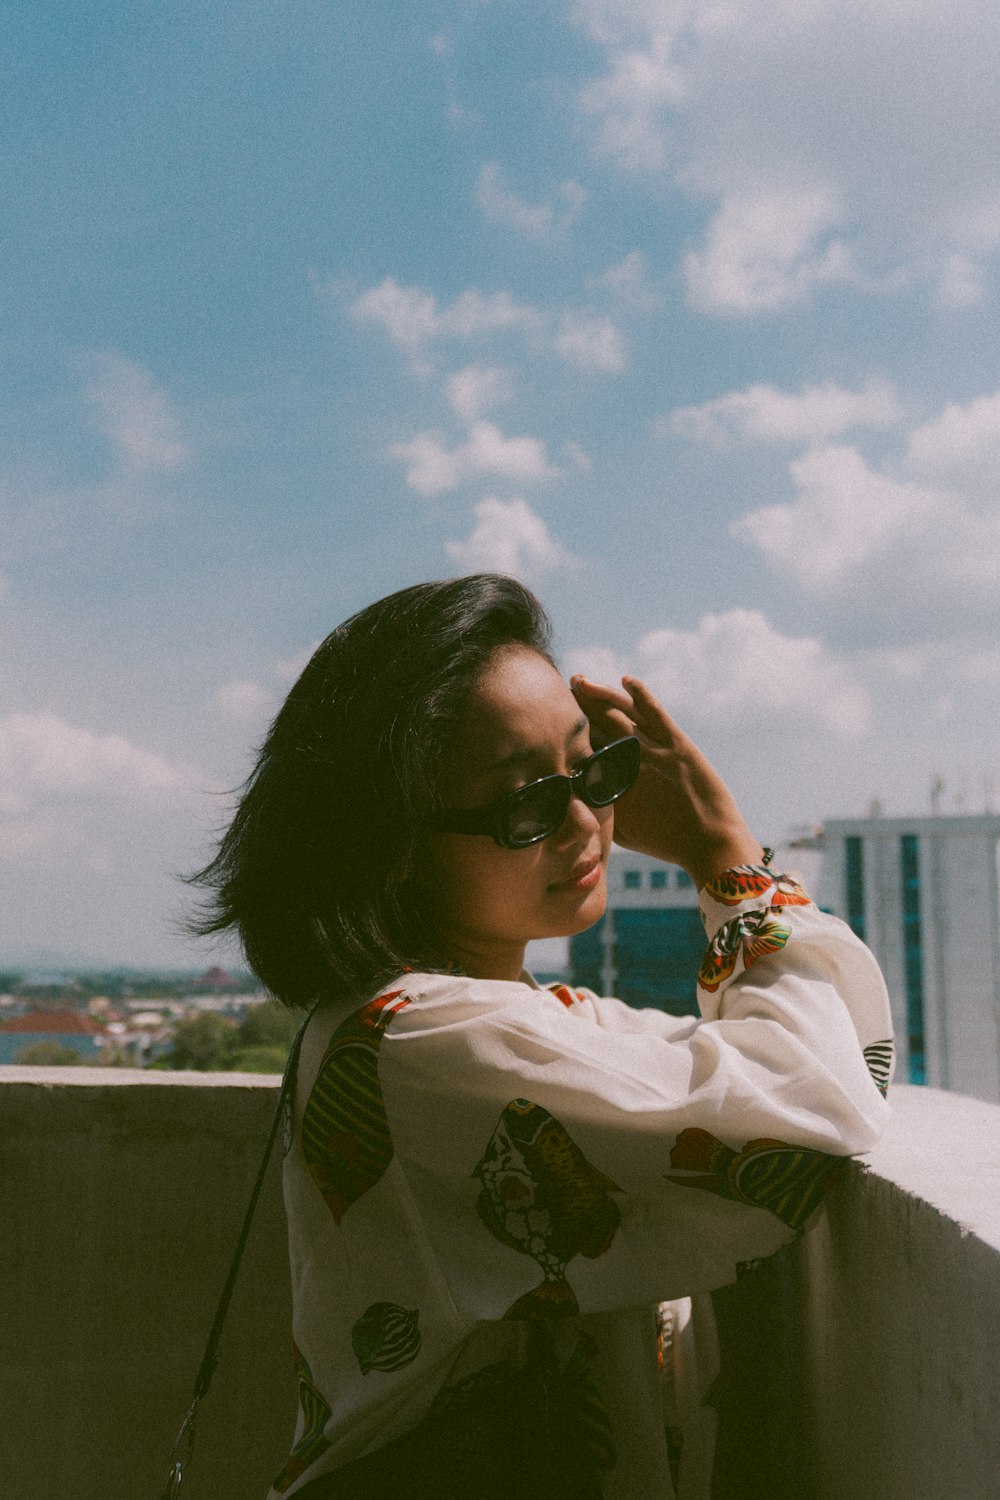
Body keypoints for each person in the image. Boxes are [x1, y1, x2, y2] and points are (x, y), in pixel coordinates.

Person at [189, 574, 893, 1500]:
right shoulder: (422, 1041)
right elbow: (806, 1109)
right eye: (525, 803)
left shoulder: (508, 1017)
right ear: (395, 840)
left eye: (595, 772)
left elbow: (805, 1067)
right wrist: (724, 849)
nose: (587, 825)